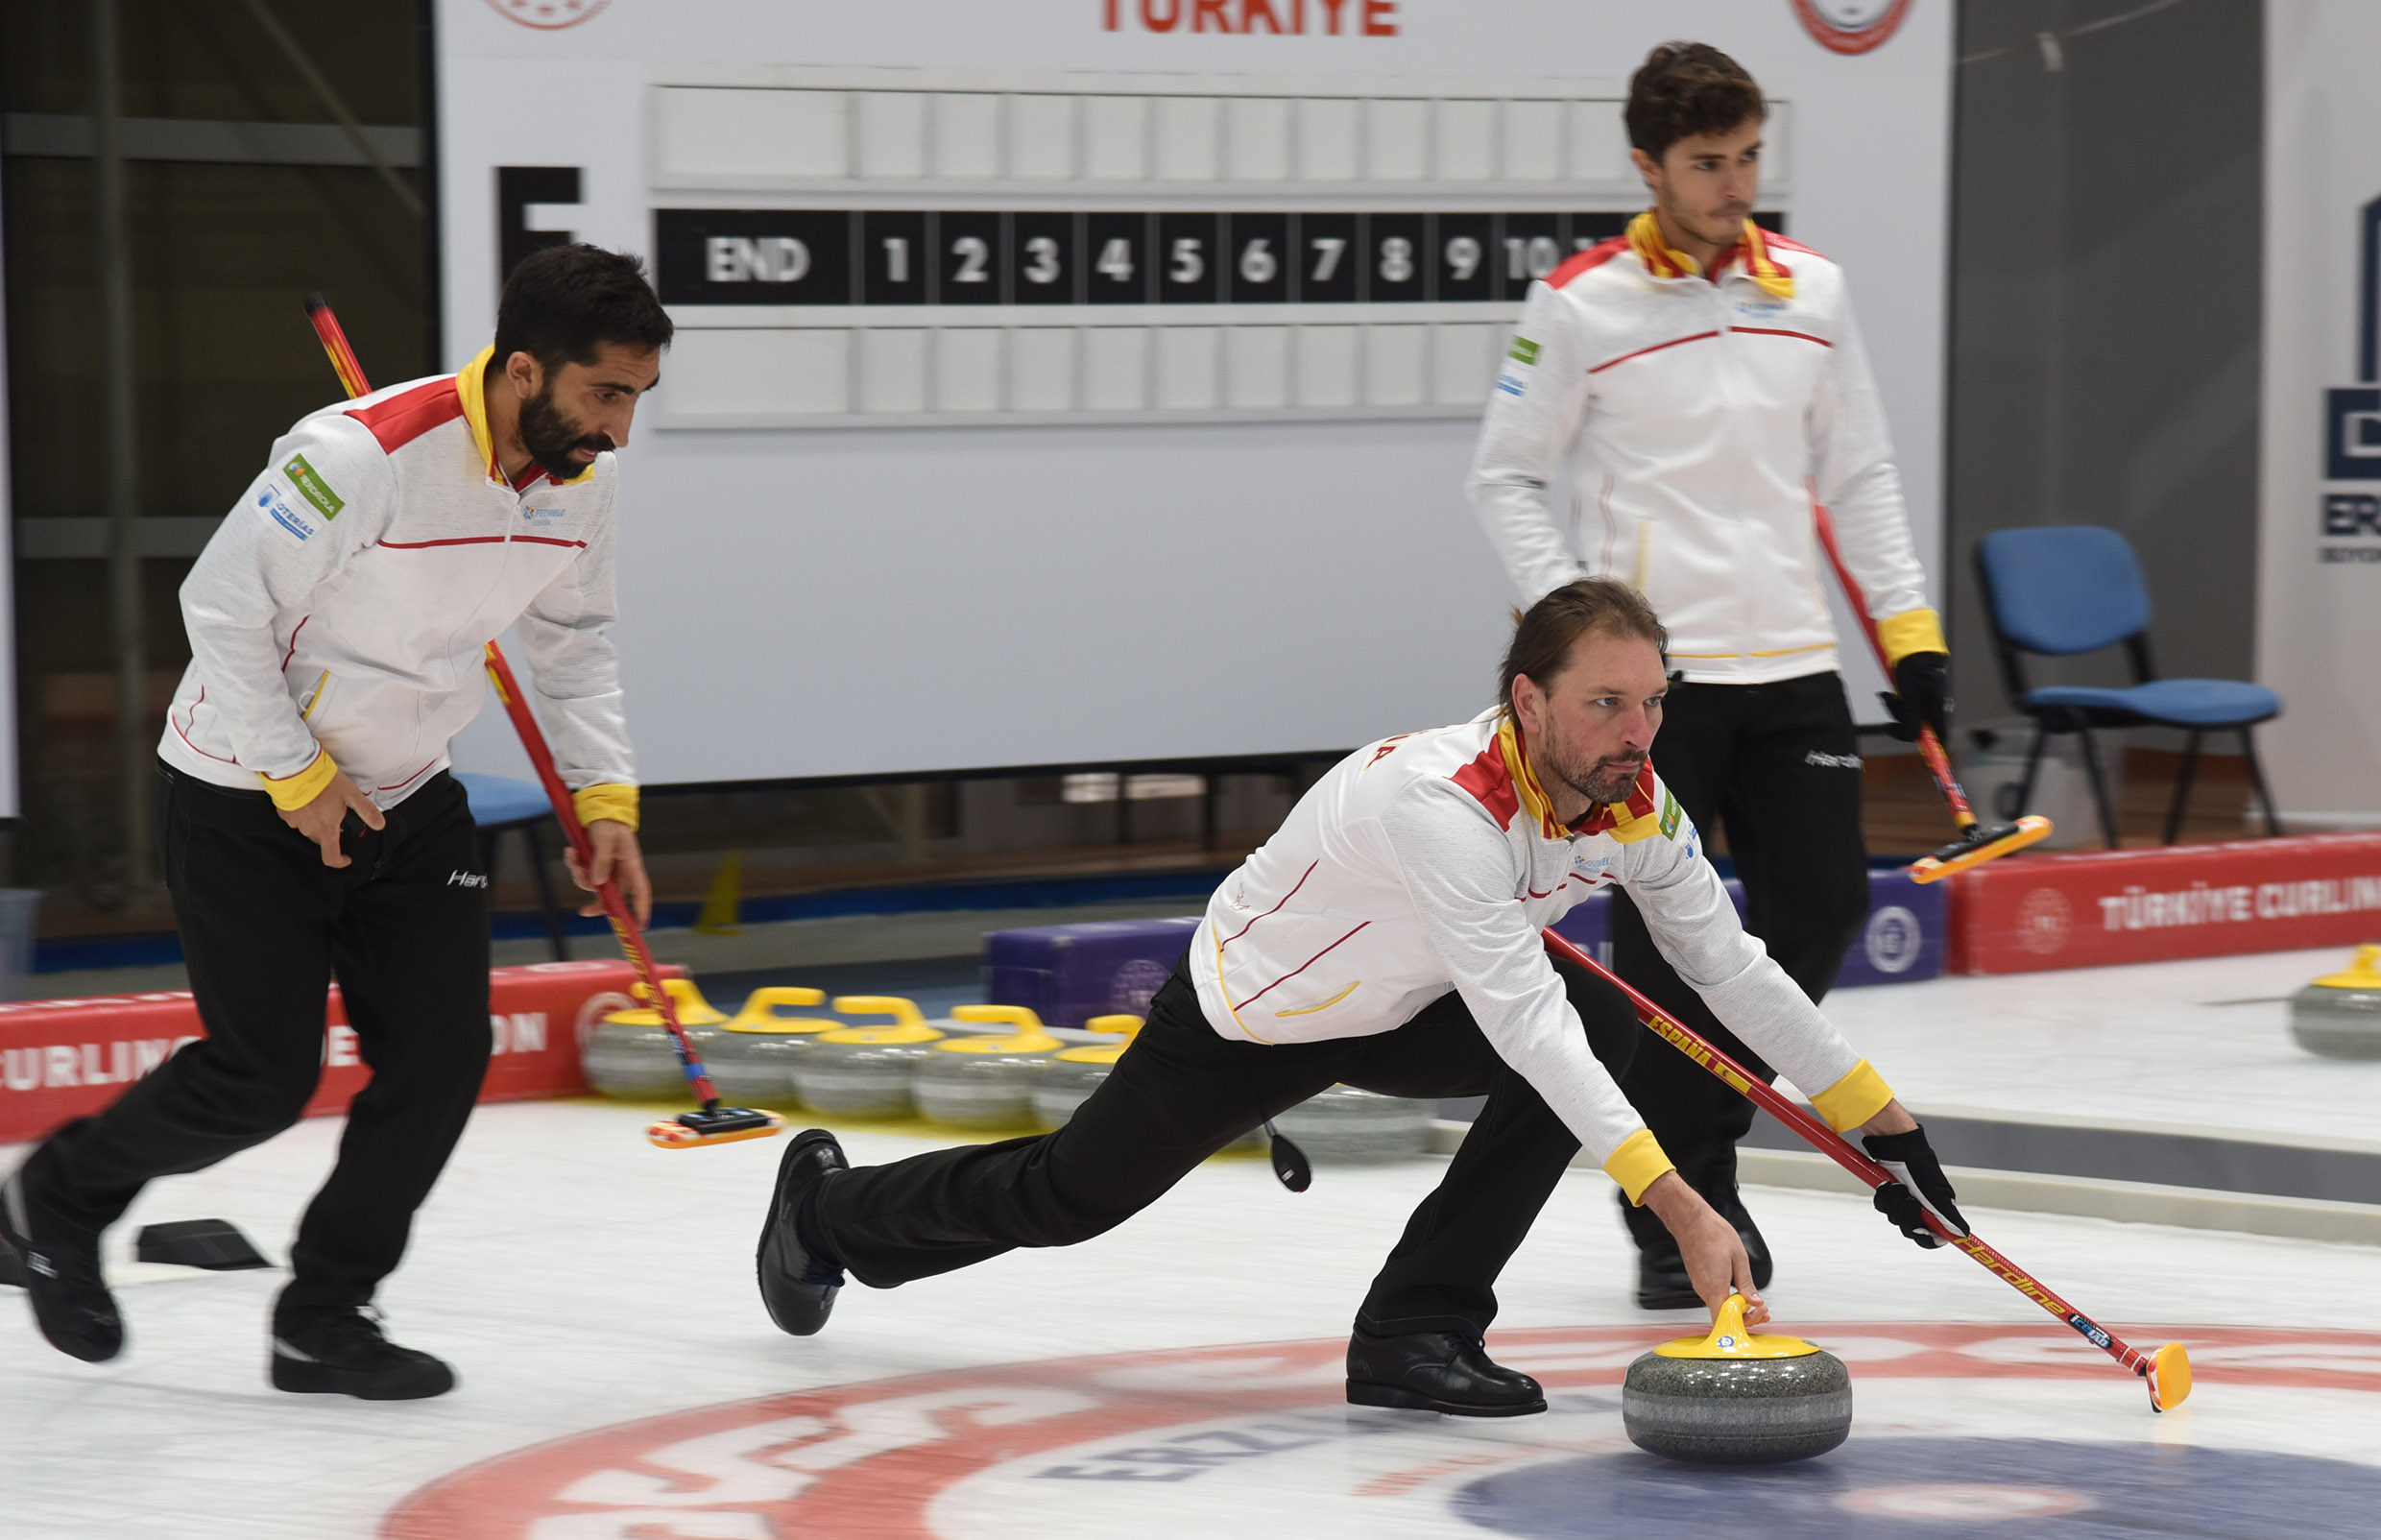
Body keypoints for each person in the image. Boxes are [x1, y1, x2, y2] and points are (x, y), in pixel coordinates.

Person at [755, 579, 1966, 1416]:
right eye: (1607, 703)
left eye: (1653, 701)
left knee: (1605, 1020)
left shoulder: (1630, 795)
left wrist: (1881, 1119)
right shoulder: (1440, 805)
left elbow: (1728, 963)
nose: (1637, 732)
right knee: (1074, 1196)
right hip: (1259, 1011)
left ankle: (1412, 1332)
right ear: (1527, 699)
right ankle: (830, 1213)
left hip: (1412, 995)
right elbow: (1520, 1021)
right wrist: (1686, 1206)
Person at [0, 244, 669, 1400]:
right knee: (260, 1077)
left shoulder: (581, 483)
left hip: (409, 798)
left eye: (637, 399)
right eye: (606, 393)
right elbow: (219, 604)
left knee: (440, 1056)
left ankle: (324, 1314)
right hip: (246, 793)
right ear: (524, 369)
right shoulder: (358, 453)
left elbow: (571, 643)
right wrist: (298, 773)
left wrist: (605, 796)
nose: (621, 429)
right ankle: (56, 1197)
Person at [1465, 41, 1953, 1311]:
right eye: (1705, 164)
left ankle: (1685, 1150)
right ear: (1648, 165)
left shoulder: (1815, 293)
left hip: (1794, 662)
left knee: (1824, 909)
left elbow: (1862, 477)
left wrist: (1910, 635)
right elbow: (1504, 476)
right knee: (1669, 947)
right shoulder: (1579, 302)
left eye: (1746, 158)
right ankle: (1687, 1191)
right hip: (1653, 688)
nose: (1733, 184)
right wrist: (1575, 630)